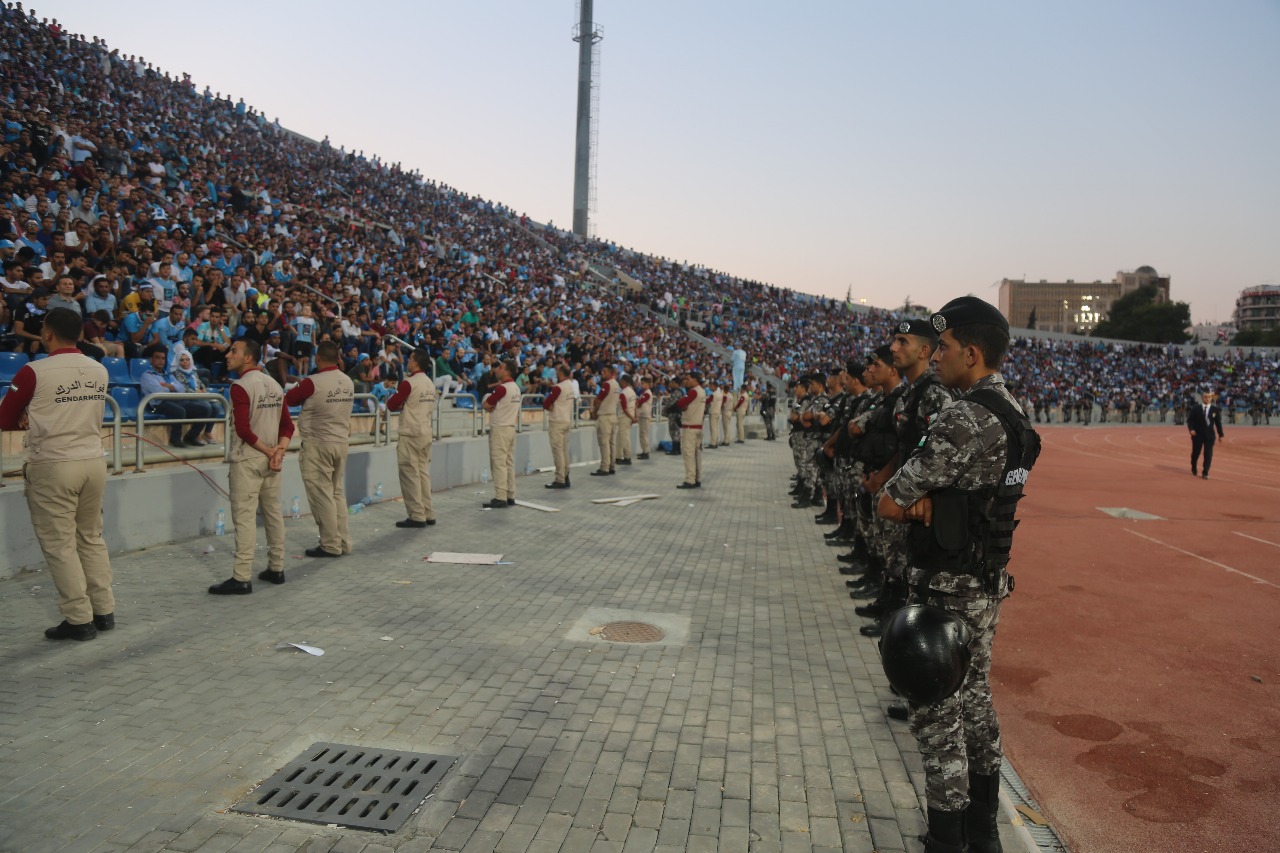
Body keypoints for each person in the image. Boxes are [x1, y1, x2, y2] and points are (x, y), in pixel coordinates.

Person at [877, 296, 1040, 853]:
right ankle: (983, 833)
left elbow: (891, 502)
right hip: (986, 584)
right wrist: (932, 497)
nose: (936, 354)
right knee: (976, 704)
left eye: (943, 347)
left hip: (944, 590)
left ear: (971, 353)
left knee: (938, 719)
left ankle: (946, 840)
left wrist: (921, 498)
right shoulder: (1015, 415)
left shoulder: (962, 416)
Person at [0, 308, 115, 641]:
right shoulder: (98, 370)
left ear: (47, 334)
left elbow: (5, 417)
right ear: (79, 332)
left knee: (60, 545)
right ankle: (104, 610)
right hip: (93, 461)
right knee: (91, 537)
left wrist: (25, 415)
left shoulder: (33, 371)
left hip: (54, 464)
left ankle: (79, 618)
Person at [209, 339, 294, 594]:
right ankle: (277, 567)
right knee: (273, 513)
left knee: (245, 518)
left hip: (248, 458)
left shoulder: (240, 386)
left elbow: (244, 430)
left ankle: (242, 576)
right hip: (270, 459)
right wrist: (278, 450)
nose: (227, 355)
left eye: (233, 351)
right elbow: (288, 426)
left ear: (248, 358)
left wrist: (271, 451)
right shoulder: (275, 385)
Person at [284, 341, 355, 554]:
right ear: (338, 359)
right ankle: (343, 542)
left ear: (318, 358)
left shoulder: (312, 382)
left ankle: (330, 544)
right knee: (336, 494)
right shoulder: (348, 381)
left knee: (322, 495)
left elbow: (290, 399)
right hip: (341, 442)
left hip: (318, 444)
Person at [386, 347, 438, 526]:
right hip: (425, 430)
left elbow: (392, 404)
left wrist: (402, 404)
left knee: (409, 474)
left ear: (416, 362)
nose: (407, 361)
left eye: (410, 359)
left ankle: (416, 515)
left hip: (411, 432)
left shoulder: (409, 383)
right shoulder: (430, 383)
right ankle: (428, 512)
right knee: (423, 473)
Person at [139, 347, 214, 447]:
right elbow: (159, 391)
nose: (161, 361)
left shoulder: (169, 375)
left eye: (163, 358)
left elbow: (182, 388)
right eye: (157, 358)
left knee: (204, 409)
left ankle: (190, 437)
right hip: (159, 404)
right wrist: (173, 388)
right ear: (151, 360)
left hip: (175, 400)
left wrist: (170, 386)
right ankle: (175, 439)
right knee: (179, 410)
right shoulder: (147, 376)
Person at [481, 359, 520, 508]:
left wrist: (489, 406)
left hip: (500, 428)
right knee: (508, 462)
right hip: (510, 426)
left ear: (507, 371)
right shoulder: (516, 388)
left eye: (501, 367)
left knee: (499, 463)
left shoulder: (502, 388)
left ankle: (500, 496)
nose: (498, 370)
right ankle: (510, 494)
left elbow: (486, 404)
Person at [542, 363, 574, 488]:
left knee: (557, 451)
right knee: (564, 450)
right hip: (566, 419)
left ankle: (559, 478)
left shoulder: (558, 387)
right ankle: (566, 475)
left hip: (557, 421)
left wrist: (550, 406)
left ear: (560, 374)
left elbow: (546, 403)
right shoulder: (571, 386)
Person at [675, 371, 707, 489]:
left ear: (695, 379)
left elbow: (680, 403)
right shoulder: (702, 391)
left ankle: (690, 479)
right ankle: (697, 478)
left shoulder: (693, 391)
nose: (685, 381)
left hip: (690, 427)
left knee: (688, 454)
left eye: (688, 379)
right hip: (698, 426)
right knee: (696, 454)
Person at [1186, 390, 1224, 479]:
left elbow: (1218, 423)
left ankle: (1205, 472)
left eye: (1209, 397)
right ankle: (1193, 466)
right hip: (1197, 435)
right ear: (1202, 398)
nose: (1207, 399)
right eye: (1205, 397)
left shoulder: (1215, 410)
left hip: (1210, 435)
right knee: (1196, 453)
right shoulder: (1196, 408)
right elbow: (1190, 420)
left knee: (1208, 454)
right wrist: (1191, 429)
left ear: (1211, 398)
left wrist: (1221, 435)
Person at [589, 365, 619, 476]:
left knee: (604, 443)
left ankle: (604, 467)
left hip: (605, 415)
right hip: (613, 415)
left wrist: (594, 411)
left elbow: (599, 399)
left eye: (605, 371)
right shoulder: (617, 384)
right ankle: (612, 465)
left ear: (610, 373)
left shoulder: (607, 384)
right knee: (611, 443)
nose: (603, 373)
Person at [615, 373, 637, 466]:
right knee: (620, 438)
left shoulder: (623, 393)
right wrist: (635, 417)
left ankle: (627, 457)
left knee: (624, 438)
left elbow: (624, 408)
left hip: (624, 417)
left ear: (624, 381)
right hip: (630, 416)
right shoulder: (632, 391)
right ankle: (618, 456)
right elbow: (635, 405)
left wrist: (632, 418)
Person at [635, 376, 654, 460]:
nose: (641, 385)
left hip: (645, 415)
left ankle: (646, 452)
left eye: (643, 384)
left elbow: (639, 403)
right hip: (642, 415)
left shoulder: (647, 393)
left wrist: (637, 403)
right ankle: (644, 450)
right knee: (642, 434)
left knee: (644, 434)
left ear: (648, 384)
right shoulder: (643, 392)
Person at [707, 381, 724, 448]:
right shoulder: (720, 394)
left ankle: (713, 443)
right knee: (716, 428)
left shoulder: (713, 394)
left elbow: (708, 401)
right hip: (718, 411)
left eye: (711, 386)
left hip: (713, 411)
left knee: (713, 428)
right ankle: (716, 441)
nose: (710, 387)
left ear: (714, 386)